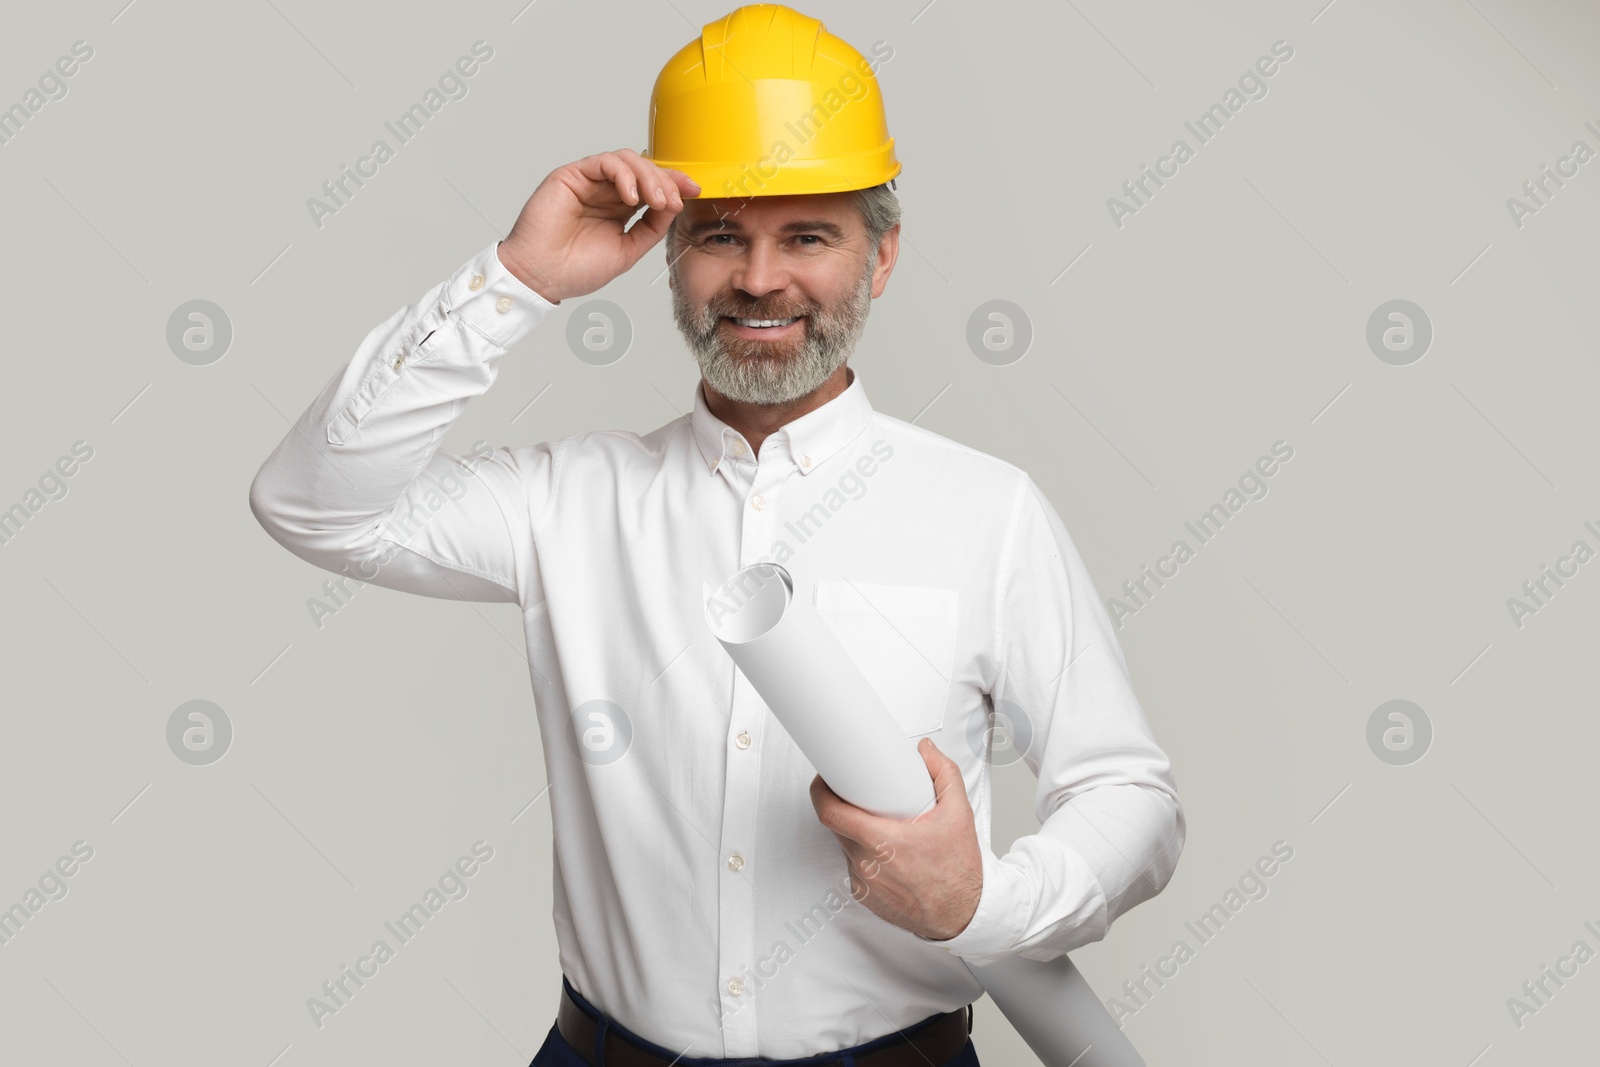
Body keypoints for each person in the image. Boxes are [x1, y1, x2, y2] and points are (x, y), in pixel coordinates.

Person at [249, 6, 1184, 1066]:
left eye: (808, 235)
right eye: (721, 234)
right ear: (669, 253)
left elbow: (1127, 795)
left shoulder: (986, 511)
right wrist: (517, 279)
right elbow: (314, 503)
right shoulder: (569, 500)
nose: (758, 279)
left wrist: (988, 898)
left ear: (879, 258)